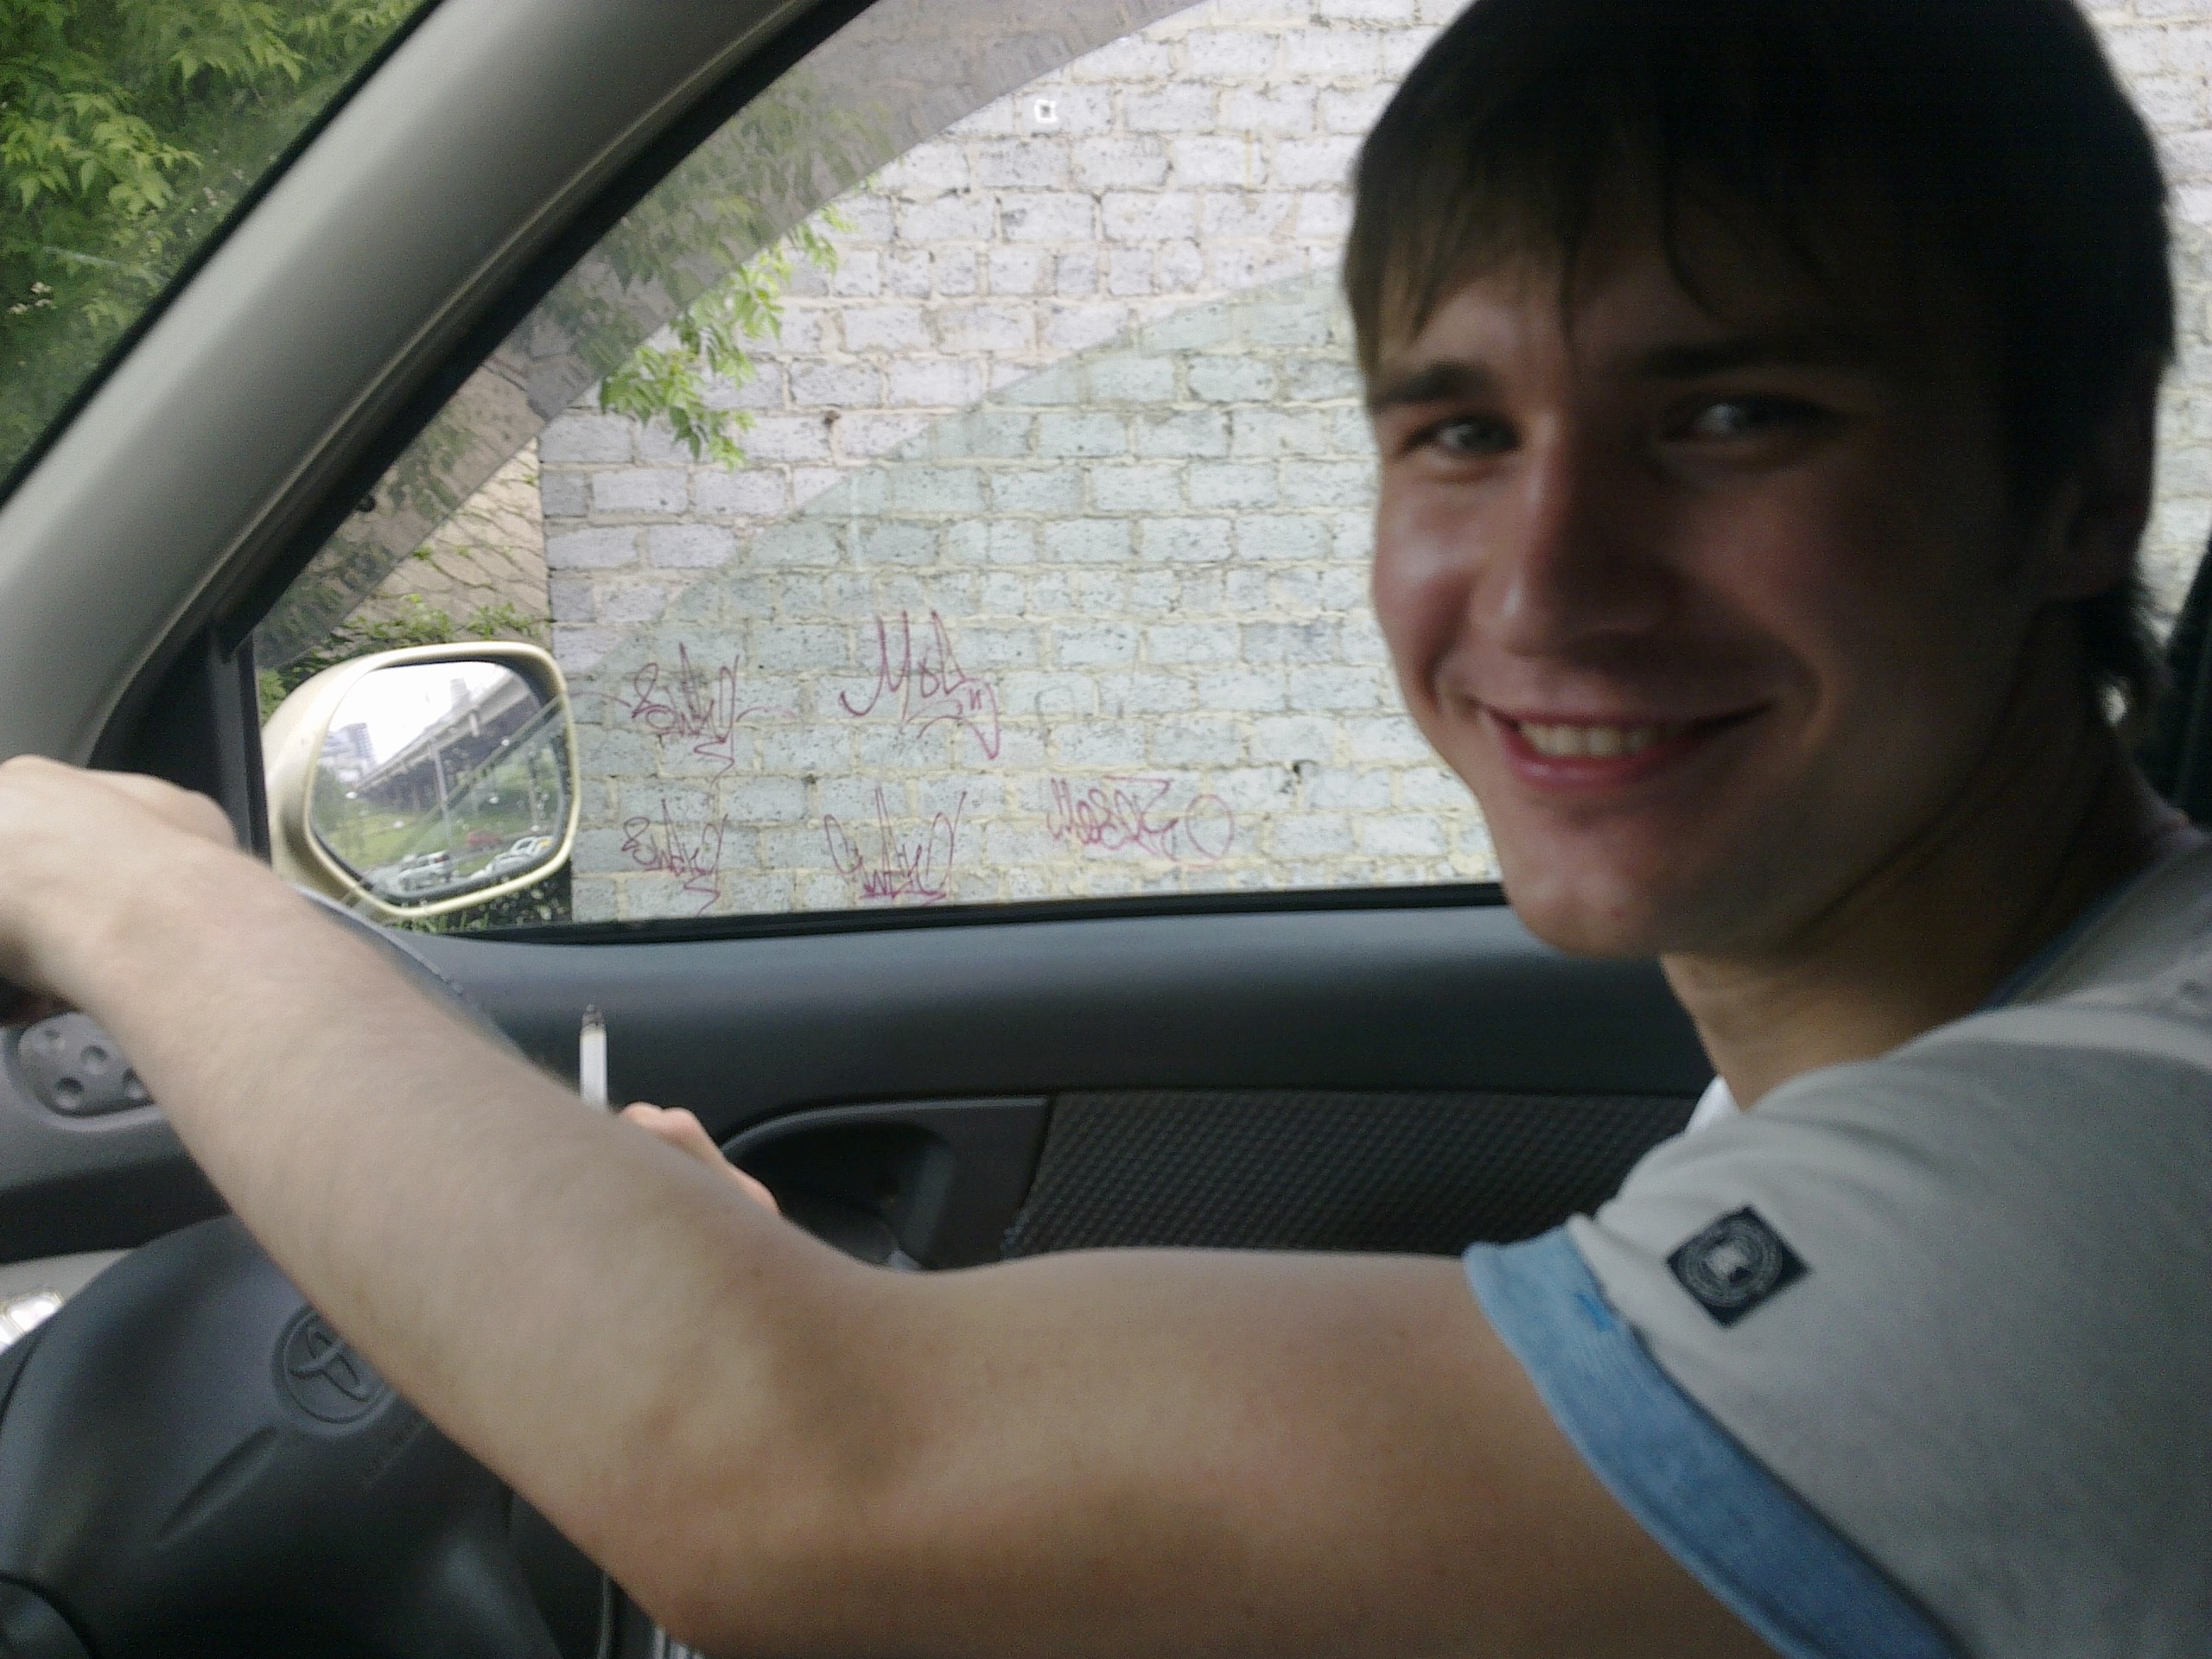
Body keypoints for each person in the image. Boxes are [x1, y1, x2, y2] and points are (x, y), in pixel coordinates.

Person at [1, 0, 2206, 1649]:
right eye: (1457, 430)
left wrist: (115, 876)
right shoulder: (1921, 1080)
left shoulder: (2104, 1178)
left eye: (1728, 415)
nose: (1544, 588)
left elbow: (804, 1472)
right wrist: (749, 1303)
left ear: (2076, 479)